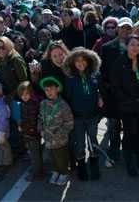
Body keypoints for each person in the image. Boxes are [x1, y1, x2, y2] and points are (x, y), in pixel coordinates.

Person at [110, 35, 139, 177]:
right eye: (132, 44)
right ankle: (129, 162)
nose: (135, 47)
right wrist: (126, 100)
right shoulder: (119, 62)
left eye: (137, 45)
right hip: (126, 105)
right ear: (126, 46)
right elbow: (115, 86)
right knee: (129, 133)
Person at [62, 48, 102, 181]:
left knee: (93, 139)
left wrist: (100, 97)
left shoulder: (94, 75)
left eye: (83, 60)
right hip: (77, 117)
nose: (81, 63)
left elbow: (99, 89)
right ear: (73, 62)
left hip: (92, 115)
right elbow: (67, 97)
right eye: (77, 61)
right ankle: (81, 166)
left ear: (88, 61)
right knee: (79, 143)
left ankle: (94, 162)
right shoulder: (70, 78)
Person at [100, 17, 133, 164]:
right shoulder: (106, 48)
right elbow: (102, 72)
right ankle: (113, 154)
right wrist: (105, 92)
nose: (125, 31)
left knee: (129, 127)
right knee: (113, 127)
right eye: (122, 28)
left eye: (128, 28)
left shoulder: (137, 46)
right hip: (113, 96)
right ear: (118, 29)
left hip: (130, 96)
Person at [38, 77, 74, 186]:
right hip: (48, 139)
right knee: (52, 157)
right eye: (46, 90)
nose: (49, 92)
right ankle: (56, 171)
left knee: (61, 158)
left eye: (51, 89)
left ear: (57, 89)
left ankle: (64, 173)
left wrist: (59, 134)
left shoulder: (63, 105)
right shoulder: (43, 103)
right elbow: (40, 117)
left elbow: (69, 123)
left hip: (60, 140)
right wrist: (40, 129)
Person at [17, 81, 44, 181]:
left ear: (31, 93)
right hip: (28, 132)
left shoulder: (32, 104)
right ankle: (38, 170)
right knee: (34, 153)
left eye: (26, 94)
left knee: (35, 154)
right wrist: (20, 125)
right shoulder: (24, 104)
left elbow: (32, 120)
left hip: (32, 133)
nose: (24, 96)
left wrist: (24, 128)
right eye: (22, 95)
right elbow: (23, 117)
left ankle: (37, 173)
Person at [0, 36, 28, 102]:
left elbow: (24, 82)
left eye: (3, 47)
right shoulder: (1, 58)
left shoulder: (16, 59)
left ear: (8, 46)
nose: (1, 50)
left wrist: (11, 96)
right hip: (6, 95)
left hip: (17, 98)